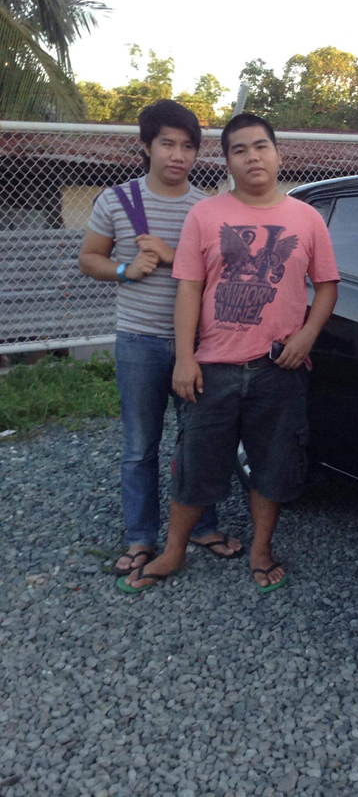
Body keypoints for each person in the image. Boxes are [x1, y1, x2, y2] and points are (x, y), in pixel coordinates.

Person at [120, 112, 339, 594]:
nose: (252, 156)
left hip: (279, 367)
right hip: (214, 367)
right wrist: (185, 357)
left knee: (273, 464)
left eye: (260, 146)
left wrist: (306, 337)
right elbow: (188, 290)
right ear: (226, 161)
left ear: (278, 153)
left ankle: (261, 550)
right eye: (239, 150)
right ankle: (175, 549)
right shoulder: (207, 215)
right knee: (195, 461)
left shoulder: (306, 219)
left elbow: (326, 287)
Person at [79, 100, 237, 578]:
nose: (178, 155)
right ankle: (141, 537)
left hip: (201, 345)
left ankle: (202, 527)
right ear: (145, 146)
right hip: (140, 342)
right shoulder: (117, 200)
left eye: (188, 146)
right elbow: (89, 258)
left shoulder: (207, 209)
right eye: (167, 143)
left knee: (200, 442)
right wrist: (125, 269)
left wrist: (170, 257)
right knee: (140, 445)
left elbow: (224, 272)